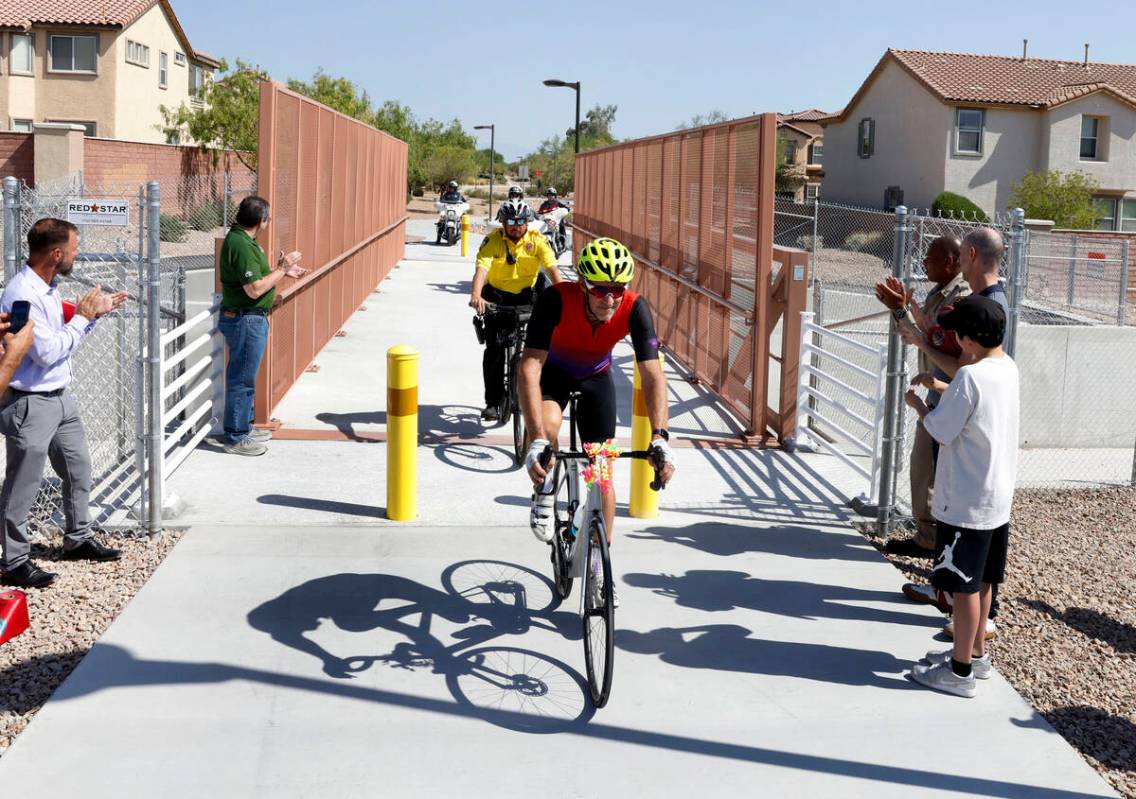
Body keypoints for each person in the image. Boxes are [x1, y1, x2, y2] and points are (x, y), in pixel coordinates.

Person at [520, 237, 676, 606]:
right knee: (551, 427)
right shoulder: (556, 298)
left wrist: (661, 437)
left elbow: (652, 374)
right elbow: (529, 366)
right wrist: (537, 439)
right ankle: (545, 488)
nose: (610, 299)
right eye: (601, 290)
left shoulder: (635, 309)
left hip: (596, 377)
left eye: (617, 290)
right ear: (584, 285)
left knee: (602, 469)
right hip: (554, 373)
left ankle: (598, 566)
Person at [0, 218, 129, 589]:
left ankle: (78, 538)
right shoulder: (23, 293)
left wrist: (92, 314)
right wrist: (85, 319)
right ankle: (15, 561)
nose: (76, 254)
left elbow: (62, 333)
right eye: (73, 248)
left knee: (77, 469)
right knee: (22, 485)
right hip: (31, 404)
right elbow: (46, 353)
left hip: (59, 398)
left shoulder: (48, 287)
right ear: (57, 254)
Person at [903, 294, 1019, 697]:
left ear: (969, 340)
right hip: (995, 498)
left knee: (962, 587)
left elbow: (941, 429)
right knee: (984, 580)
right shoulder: (1006, 368)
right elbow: (975, 407)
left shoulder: (970, 377)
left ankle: (960, 670)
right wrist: (942, 385)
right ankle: (977, 656)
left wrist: (919, 404)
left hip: (965, 500)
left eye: (958, 334)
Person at [897, 227, 1009, 640]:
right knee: (976, 568)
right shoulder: (1002, 368)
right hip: (989, 486)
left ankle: (964, 656)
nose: (959, 261)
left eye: (962, 254)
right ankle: (974, 648)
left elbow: (960, 383)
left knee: (966, 573)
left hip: (969, 488)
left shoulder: (986, 313)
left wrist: (924, 402)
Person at [874, 236, 969, 557]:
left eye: (932, 257)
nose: (925, 262)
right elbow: (919, 335)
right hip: (935, 393)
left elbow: (933, 341)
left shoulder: (961, 296)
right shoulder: (939, 294)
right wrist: (900, 309)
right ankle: (929, 539)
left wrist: (905, 313)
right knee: (923, 468)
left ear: (953, 261)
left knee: (928, 470)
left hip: (947, 397)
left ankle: (933, 543)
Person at [218, 196, 308, 456]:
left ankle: (243, 427)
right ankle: (236, 437)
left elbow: (258, 277)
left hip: (249, 318)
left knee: (246, 376)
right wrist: (282, 268)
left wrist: (283, 273)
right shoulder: (242, 245)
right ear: (262, 220)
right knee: (242, 378)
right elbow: (255, 289)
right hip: (245, 318)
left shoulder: (244, 240)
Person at [470, 199, 562, 422]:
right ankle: (493, 402)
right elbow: (481, 269)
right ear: (502, 222)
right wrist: (476, 294)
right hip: (498, 298)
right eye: (511, 221)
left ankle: (542, 396)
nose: (516, 226)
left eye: (521, 221)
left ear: (527, 222)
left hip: (527, 297)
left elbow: (551, 268)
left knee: (542, 350)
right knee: (494, 351)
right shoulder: (493, 240)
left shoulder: (537, 240)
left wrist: (564, 296)